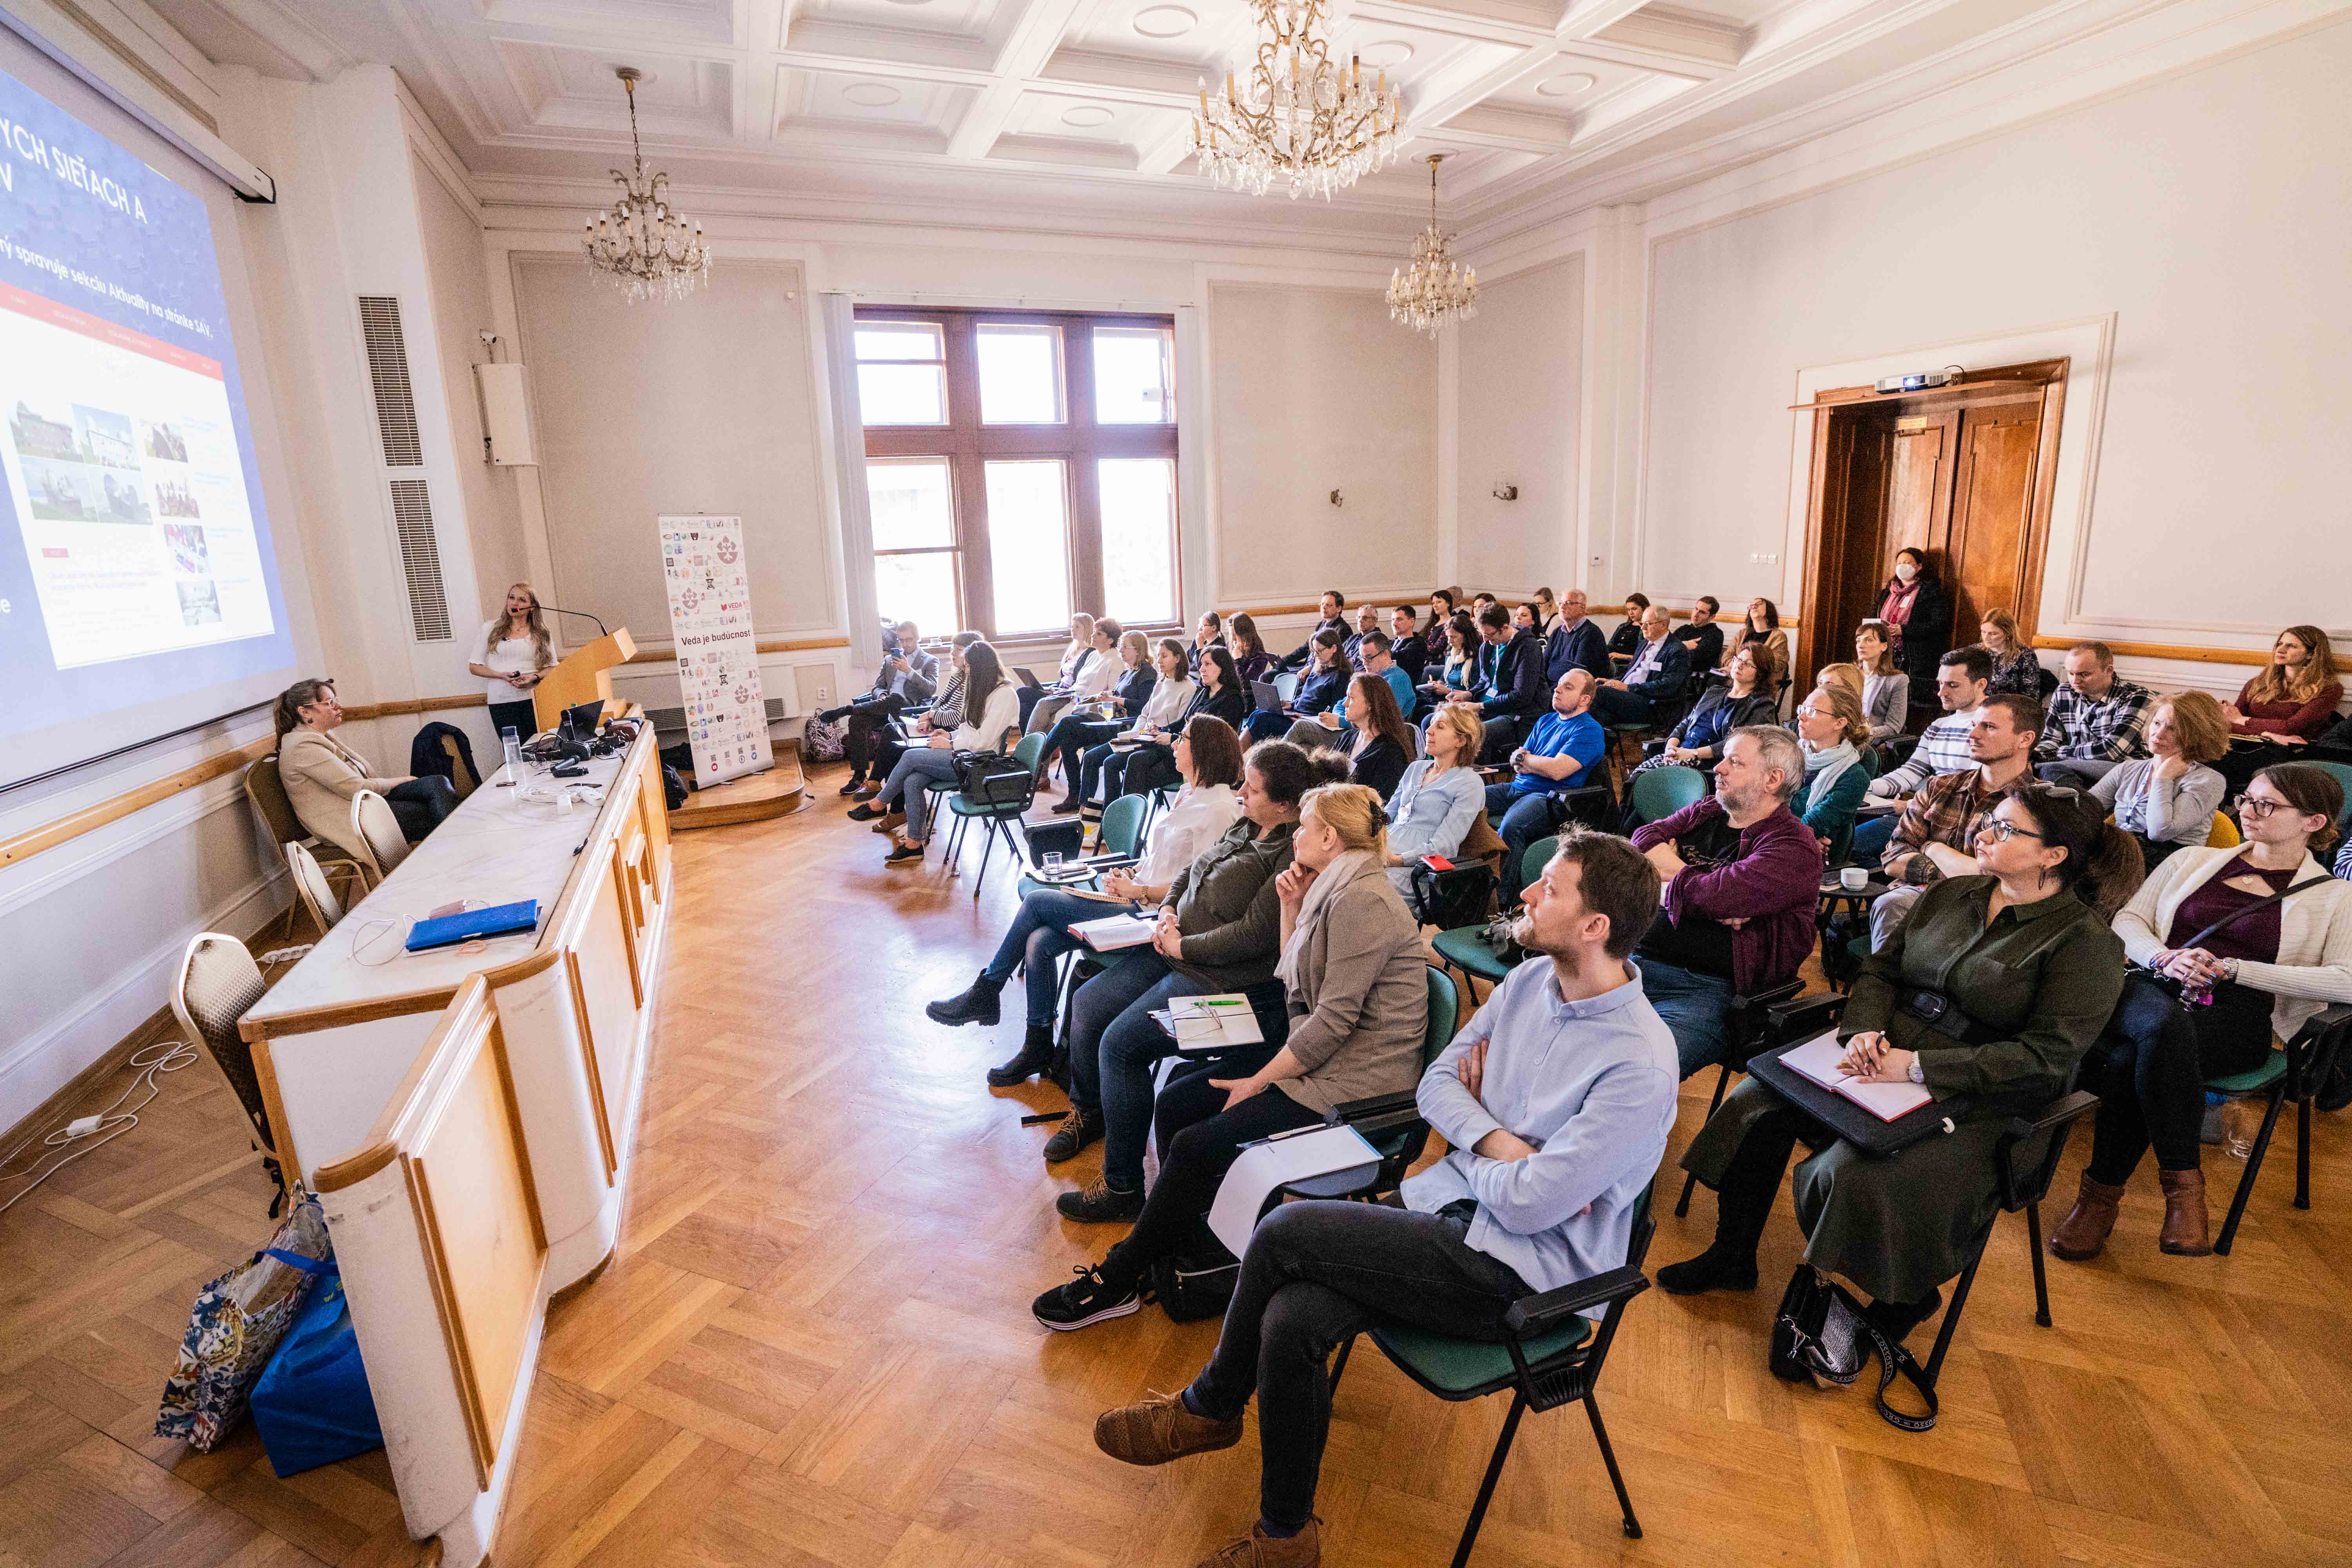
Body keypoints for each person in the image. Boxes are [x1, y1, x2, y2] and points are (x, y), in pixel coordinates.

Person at [1087, 832, 1677, 1568]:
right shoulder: (1530, 984)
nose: (1525, 893)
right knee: (1295, 1316)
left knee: (1284, 1232)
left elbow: (1531, 1209)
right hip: (1450, 1209)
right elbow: (1437, 1087)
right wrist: (1498, 1142)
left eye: (1550, 889)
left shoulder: (1640, 1064)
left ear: (1595, 928)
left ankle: (1209, 1407)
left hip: (1525, 1275)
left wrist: (1479, 1132)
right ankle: (1286, 1539)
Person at [1662, 787, 2133, 1358]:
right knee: (1755, 1101)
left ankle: (1898, 1300)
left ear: (2052, 856)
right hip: (1882, 1051)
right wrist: (1862, 1029)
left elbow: (2045, 1057)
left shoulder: (2086, 944)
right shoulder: (1953, 894)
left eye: (2007, 829)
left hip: (1981, 1094)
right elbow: (1881, 971)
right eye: (1990, 820)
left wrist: (1918, 1067)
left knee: (1852, 1172)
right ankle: (1732, 1255)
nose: (1984, 832)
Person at [1033, 782, 1430, 1322]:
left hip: (1354, 1087)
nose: (1299, 836)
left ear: (1331, 838)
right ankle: (1188, 1251)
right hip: (1321, 1059)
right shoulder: (1333, 887)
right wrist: (1290, 907)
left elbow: (1329, 1023)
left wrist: (1261, 1080)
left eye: (1307, 828)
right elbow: (1300, 987)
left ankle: (1122, 1275)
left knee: (1197, 1143)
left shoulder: (1363, 901)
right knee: (1176, 1101)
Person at [2055, 764, 2352, 1260]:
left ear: (2314, 822)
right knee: (2162, 1026)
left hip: (2243, 1017)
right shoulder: (2192, 860)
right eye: (2247, 798)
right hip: (2150, 987)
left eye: (2267, 805)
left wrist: (2236, 969)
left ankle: (2099, 1202)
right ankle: (2183, 1194)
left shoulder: (2337, 897)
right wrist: (2166, 957)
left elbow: (2347, 979)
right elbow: (2129, 920)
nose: (2246, 811)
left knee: (2138, 1059)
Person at [1040, 742, 1344, 1193]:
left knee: (1120, 1046)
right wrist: (1165, 909)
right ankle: (1092, 1112)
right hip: (1174, 948)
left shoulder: (1290, 857)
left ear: (1285, 805)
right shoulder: (1247, 824)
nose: (1241, 791)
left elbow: (1251, 936)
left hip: (1227, 984)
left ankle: (1122, 1187)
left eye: (1253, 788)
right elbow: (1190, 873)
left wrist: (1182, 947)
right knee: (1087, 1002)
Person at [927, 717, 1247, 1085]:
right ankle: (1038, 1045)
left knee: (1036, 905)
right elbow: (1164, 860)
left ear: (1205, 751)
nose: (1175, 743)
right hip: (1135, 897)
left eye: (1185, 739)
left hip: (1151, 916)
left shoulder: (1221, 808)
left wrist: (1141, 891)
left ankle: (987, 990)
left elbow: (1196, 887)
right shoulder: (1191, 794)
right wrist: (1131, 875)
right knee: (1040, 941)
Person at [1629, 728, 1822, 1076]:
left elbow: (1719, 897)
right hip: (1632, 963)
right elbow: (1643, 837)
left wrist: (1667, 876)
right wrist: (1690, 886)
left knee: (1641, 1072)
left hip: (1708, 990)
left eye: (1735, 762)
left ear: (1772, 779)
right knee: (1549, 1031)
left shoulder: (1794, 847)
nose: (1718, 769)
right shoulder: (1709, 810)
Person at [1870, 694, 2043, 947]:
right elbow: (1894, 859)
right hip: (1917, 897)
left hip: (1989, 912)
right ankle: (1884, 982)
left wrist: (1932, 847)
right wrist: (1959, 872)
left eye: (1989, 727)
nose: (1973, 734)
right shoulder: (1940, 787)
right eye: (1974, 724)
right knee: (1892, 904)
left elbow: (2004, 881)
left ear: (2025, 739)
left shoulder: (2038, 805)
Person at [852, 641, 1021, 864]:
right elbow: (970, 728)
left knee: (910, 756)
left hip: (980, 765)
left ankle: (879, 804)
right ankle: (914, 845)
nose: (966, 672)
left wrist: (951, 745)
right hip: (966, 755)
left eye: (969, 667)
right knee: (912, 781)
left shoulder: (1005, 695)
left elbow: (984, 743)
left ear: (982, 668)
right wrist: (949, 736)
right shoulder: (984, 689)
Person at [274, 679, 457, 855]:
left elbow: (364, 779)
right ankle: (460, 855)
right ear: (305, 712)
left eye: (336, 701)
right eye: (329, 703)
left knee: (437, 783)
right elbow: (356, 788)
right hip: (351, 820)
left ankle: (458, 854)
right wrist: (404, 780)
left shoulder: (320, 737)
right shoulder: (303, 747)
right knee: (434, 812)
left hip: (363, 805)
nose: (338, 707)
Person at [1851, 645, 1993, 864]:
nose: (1941, 693)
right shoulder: (1939, 726)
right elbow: (1910, 773)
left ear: (1980, 684)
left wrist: (1908, 806)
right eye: (1940, 684)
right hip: (1922, 813)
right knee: (1850, 842)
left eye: (1953, 686)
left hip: (1958, 824)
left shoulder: (1989, 729)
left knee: (1856, 845)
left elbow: (1976, 793)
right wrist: (1866, 788)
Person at [1485, 670, 1609, 904]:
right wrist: (1527, 762)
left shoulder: (1589, 730)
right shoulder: (1545, 721)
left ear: (1585, 700)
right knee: (1464, 799)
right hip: (1516, 787)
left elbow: (1557, 771)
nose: (1557, 690)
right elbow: (1516, 761)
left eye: (1568, 687)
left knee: (1511, 826)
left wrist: (1527, 761)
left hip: (1548, 797)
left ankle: (1502, 901)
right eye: (1559, 685)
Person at [2090, 691, 2231, 869]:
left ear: (2196, 735)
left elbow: (2160, 832)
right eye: (2157, 723)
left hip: (2167, 867)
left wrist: (2163, 778)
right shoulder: (2129, 769)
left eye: (2172, 729)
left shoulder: (2209, 780)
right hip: (2116, 855)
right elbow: (2085, 811)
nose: (2159, 733)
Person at [2215, 624, 2345, 795]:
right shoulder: (2257, 683)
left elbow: (2292, 728)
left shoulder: (2329, 689)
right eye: (2280, 644)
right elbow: (2227, 723)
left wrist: (2242, 720)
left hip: (2294, 751)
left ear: (2311, 654)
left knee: (2227, 766)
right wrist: (2270, 735)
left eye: (2291, 646)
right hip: (2250, 744)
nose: (2281, 650)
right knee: (2208, 757)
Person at [1070, 638, 1194, 815]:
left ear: (1177, 658)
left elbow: (1179, 724)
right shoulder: (1161, 682)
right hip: (1142, 736)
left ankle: (1112, 816)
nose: (1159, 660)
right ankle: (1085, 812)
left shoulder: (1188, 688)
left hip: (1158, 741)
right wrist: (1134, 733)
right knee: (1092, 757)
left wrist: (1152, 732)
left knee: (1112, 763)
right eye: (1158, 656)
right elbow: (1144, 714)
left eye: (1164, 656)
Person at [820, 619, 940, 797]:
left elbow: (931, 688)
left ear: (918, 639)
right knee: (858, 720)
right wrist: (882, 696)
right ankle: (859, 775)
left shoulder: (929, 661)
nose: (905, 644)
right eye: (901, 640)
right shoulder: (889, 660)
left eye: (908, 640)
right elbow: (877, 688)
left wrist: (909, 670)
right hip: (884, 706)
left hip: (907, 710)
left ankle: (846, 709)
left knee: (897, 698)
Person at [1627, 642, 1779, 780]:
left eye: (1748, 664)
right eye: (1738, 659)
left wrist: (1693, 753)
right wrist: (1671, 746)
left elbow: (1739, 746)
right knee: (1638, 779)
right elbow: (1687, 722)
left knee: (1652, 783)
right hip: (1681, 754)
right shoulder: (1715, 692)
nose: (1739, 665)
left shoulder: (1761, 705)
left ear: (1761, 674)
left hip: (1710, 765)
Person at [1038, 628, 1157, 802]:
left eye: (1125, 647)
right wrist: (1106, 696)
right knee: (1067, 741)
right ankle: (1075, 796)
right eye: (1120, 647)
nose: (1121, 651)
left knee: (1067, 723)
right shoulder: (1127, 672)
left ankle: (1039, 759)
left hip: (1124, 727)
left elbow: (1143, 707)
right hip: (1109, 722)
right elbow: (1117, 696)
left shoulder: (1147, 674)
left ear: (1138, 650)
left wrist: (1115, 699)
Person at [1383, 704, 1486, 902]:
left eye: (1440, 727)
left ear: (1461, 740)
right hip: (1385, 848)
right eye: (1430, 725)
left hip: (1415, 869)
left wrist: (1397, 860)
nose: (1428, 731)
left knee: (1355, 889)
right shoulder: (1416, 768)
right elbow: (1388, 814)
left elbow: (1444, 847)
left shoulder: (1469, 783)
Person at [1122, 646, 1251, 801]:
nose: (1202, 669)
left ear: (1223, 667)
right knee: (1134, 760)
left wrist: (1172, 739)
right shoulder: (1203, 691)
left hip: (1201, 758)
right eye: (1201, 664)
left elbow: (1213, 740)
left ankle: (1131, 813)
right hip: (1181, 747)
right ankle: (1127, 812)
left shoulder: (1232, 700)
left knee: (1138, 766)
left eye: (1208, 664)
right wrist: (1162, 730)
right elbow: (1184, 721)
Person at [2034, 641, 2154, 786]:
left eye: (2084, 674)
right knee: (2040, 768)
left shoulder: (2136, 698)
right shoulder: (2064, 692)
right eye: (2071, 673)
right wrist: (2031, 754)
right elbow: (2050, 740)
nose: (2075, 681)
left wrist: (2058, 753)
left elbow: (2111, 751)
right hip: (2071, 766)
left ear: (2109, 671)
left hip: (2120, 770)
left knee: (2050, 769)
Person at [1294, 672, 1412, 800]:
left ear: (1370, 705)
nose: (1345, 704)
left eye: (1351, 698)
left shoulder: (1391, 752)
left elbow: (1380, 803)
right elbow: (1325, 777)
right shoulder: (1348, 737)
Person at [469, 582, 554, 741]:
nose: (514, 603)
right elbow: (474, 667)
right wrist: (501, 675)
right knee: (515, 752)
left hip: (534, 700)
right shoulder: (490, 628)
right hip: (502, 702)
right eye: (512, 598)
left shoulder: (541, 632)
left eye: (522, 600)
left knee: (542, 750)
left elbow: (552, 668)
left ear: (532, 607)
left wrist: (534, 677)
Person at [1793, 684, 1873, 854]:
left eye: (1813, 711)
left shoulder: (1855, 777)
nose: (1802, 716)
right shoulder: (1787, 754)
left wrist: (1769, 834)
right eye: (1803, 708)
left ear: (1839, 723)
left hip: (1809, 860)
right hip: (1779, 843)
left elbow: (1813, 824)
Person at [1590, 604, 1691, 728]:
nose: (1642, 627)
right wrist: (1613, 681)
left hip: (1651, 703)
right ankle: (1605, 737)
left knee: (1599, 694)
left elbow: (1668, 686)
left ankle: (1599, 737)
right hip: (1628, 696)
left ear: (1664, 625)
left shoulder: (1677, 650)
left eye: (1648, 624)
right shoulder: (1644, 644)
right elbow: (1632, 673)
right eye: (1642, 623)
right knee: (1589, 689)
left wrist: (1628, 688)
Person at [1027, 617, 1123, 737]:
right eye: (1094, 632)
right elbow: (1079, 683)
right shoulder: (1093, 655)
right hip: (1072, 695)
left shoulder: (1116, 660)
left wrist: (1093, 698)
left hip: (1088, 704)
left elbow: (1114, 693)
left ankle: (1033, 750)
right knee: (1044, 704)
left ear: (1110, 640)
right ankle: (1026, 745)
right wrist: (1061, 691)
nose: (1093, 636)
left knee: (1053, 724)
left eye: (1099, 634)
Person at [1247, 629, 1349, 743]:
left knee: (1260, 718)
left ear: (1334, 649)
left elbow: (1332, 711)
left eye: (1319, 651)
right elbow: (1306, 696)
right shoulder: (1318, 670)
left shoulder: (1342, 676)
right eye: (1314, 651)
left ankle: (1238, 756)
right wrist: (1290, 704)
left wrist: (1307, 719)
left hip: (1306, 720)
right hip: (1296, 713)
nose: (1316, 655)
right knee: (1258, 712)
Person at [1871, 546, 1953, 685]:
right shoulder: (1887, 591)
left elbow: (1939, 625)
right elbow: (1873, 616)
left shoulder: (1930, 592)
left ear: (1919, 567)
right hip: (1883, 654)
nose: (1903, 567)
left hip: (1913, 657)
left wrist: (1903, 630)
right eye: (1900, 563)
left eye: (1908, 563)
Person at [1018, 613, 1098, 732]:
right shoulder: (1073, 650)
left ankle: (1030, 740)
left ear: (1087, 629)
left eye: (1077, 627)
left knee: (1023, 693)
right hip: (1059, 689)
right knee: (1024, 698)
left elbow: (1081, 682)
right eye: (1072, 627)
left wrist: (1057, 691)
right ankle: (1028, 740)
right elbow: (1064, 678)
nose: (1073, 630)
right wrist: (1052, 688)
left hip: (1068, 694)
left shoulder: (1091, 653)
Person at [1854, 620, 1909, 745]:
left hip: (1871, 741)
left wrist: (1861, 735)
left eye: (1869, 640)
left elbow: (1894, 727)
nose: (1861, 646)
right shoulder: (1847, 674)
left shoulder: (1898, 680)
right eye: (1858, 641)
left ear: (1884, 646)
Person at [1414, 610, 1479, 714]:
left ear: (1466, 636)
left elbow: (1474, 692)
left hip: (1461, 702)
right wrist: (1439, 683)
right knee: (1416, 703)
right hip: (1445, 697)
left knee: (1423, 712)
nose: (1449, 642)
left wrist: (1447, 690)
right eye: (1448, 637)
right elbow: (1444, 677)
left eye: (1453, 637)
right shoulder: (1451, 654)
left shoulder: (1476, 658)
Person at [1543, 588, 1610, 681]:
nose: (1563, 606)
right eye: (1561, 603)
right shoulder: (1557, 632)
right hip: (1554, 687)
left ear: (1582, 608)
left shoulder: (1591, 633)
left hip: (1577, 689)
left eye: (1569, 603)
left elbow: (1577, 675)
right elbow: (1543, 666)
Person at [1272, 593, 1347, 673]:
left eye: (1329, 605)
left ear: (1339, 609)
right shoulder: (1321, 625)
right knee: (1272, 673)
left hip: (1318, 671)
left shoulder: (1343, 629)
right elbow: (1305, 648)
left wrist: (1311, 668)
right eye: (1322, 604)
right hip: (1306, 666)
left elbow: (1334, 659)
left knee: (1271, 677)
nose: (1324, 607)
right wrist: (1282, 661)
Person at [1724, 598, 1790, 686]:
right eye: (1751, 606)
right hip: (1735, 676)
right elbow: (1727, 656)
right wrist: (1736, 668)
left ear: (1769, 609)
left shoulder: (1779, 636)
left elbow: (1777, 665)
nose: (1754, 607)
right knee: (1714, 681)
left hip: (1760, 682)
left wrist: (1742, 669)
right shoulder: (1741, 634)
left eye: (1759, 604)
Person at [1979, 609, 2042, 697]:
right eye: (1984, 632)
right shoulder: (1977, 651)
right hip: (1977, 707)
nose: (1986, 638)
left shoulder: (2025, 655)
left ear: (2008, 634)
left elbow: (2031, 696)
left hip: (2009, 707)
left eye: (1993, 634)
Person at [1668, 595, 1724, 677]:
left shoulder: (1716, 634)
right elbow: (1663, 650)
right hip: (1672, 674)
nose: (1696, 614)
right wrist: (1684, 645)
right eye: (1696, 609)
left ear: (1712, 617)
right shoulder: (1684, 629)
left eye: (1702, 612)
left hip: (1693, 680)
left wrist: (1675, 648)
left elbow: (1692, 661)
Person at [1606, 592, 1651, 666]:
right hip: (1611, 662)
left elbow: (1646, 657)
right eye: (1629, 610)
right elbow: (1610, 647)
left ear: (1644, 608)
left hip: (1629, 665)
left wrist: (1622, 656)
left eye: (1634, 609)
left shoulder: (1648, 630)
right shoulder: (1623, 627)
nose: (1631, 613)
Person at [1227, 613, 1273, 685]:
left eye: (1235, 636)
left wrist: (1238, 660)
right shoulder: (1232, 646)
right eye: (1231, 635)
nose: (1233, 639)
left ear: (1244, 635)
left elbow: (1246, 685)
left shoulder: (1259, 656)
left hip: (1245, 694)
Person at [1386, 604, 1426, 683]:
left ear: (1411, 622)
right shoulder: (1390, 643)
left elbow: (1400, 658)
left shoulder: (1418, 644)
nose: (1394, 624)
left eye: (1399, 619)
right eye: (1393, 620)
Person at [1188, 610, 1226, 675]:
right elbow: (1186, 659)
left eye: (1203, 626)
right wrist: (1193, 667)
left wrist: (1200, 646)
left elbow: (1203, 669)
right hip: (1191, 675)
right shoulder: (1198, 639)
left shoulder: (1219, 647)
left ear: (1214, 628)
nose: (1200, 629)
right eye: (1199, 626)